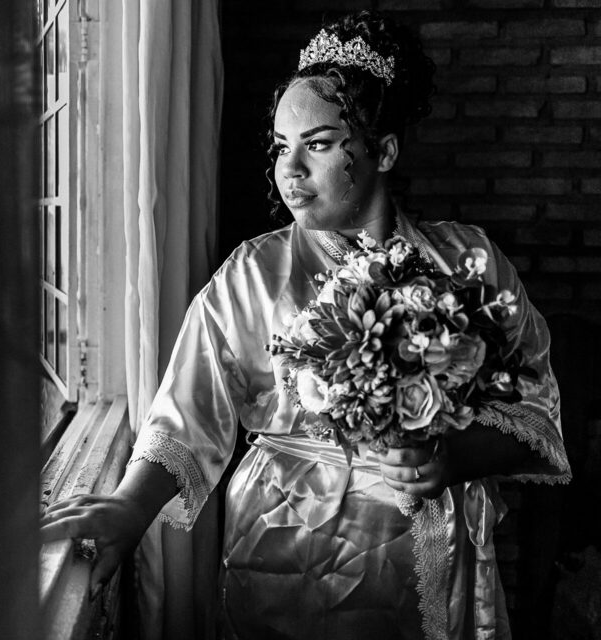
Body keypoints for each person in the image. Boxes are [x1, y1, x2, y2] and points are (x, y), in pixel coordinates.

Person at [41, 10, 571, 639]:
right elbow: (184, 418)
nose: (288, 169)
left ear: (383, 150)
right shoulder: (252, 275)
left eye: (316, 144)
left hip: (433, 555)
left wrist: (451, 456)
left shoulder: (468, 263)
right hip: (284, 552)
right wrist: (130, 507)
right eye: (280, 146)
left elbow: (533, 413)